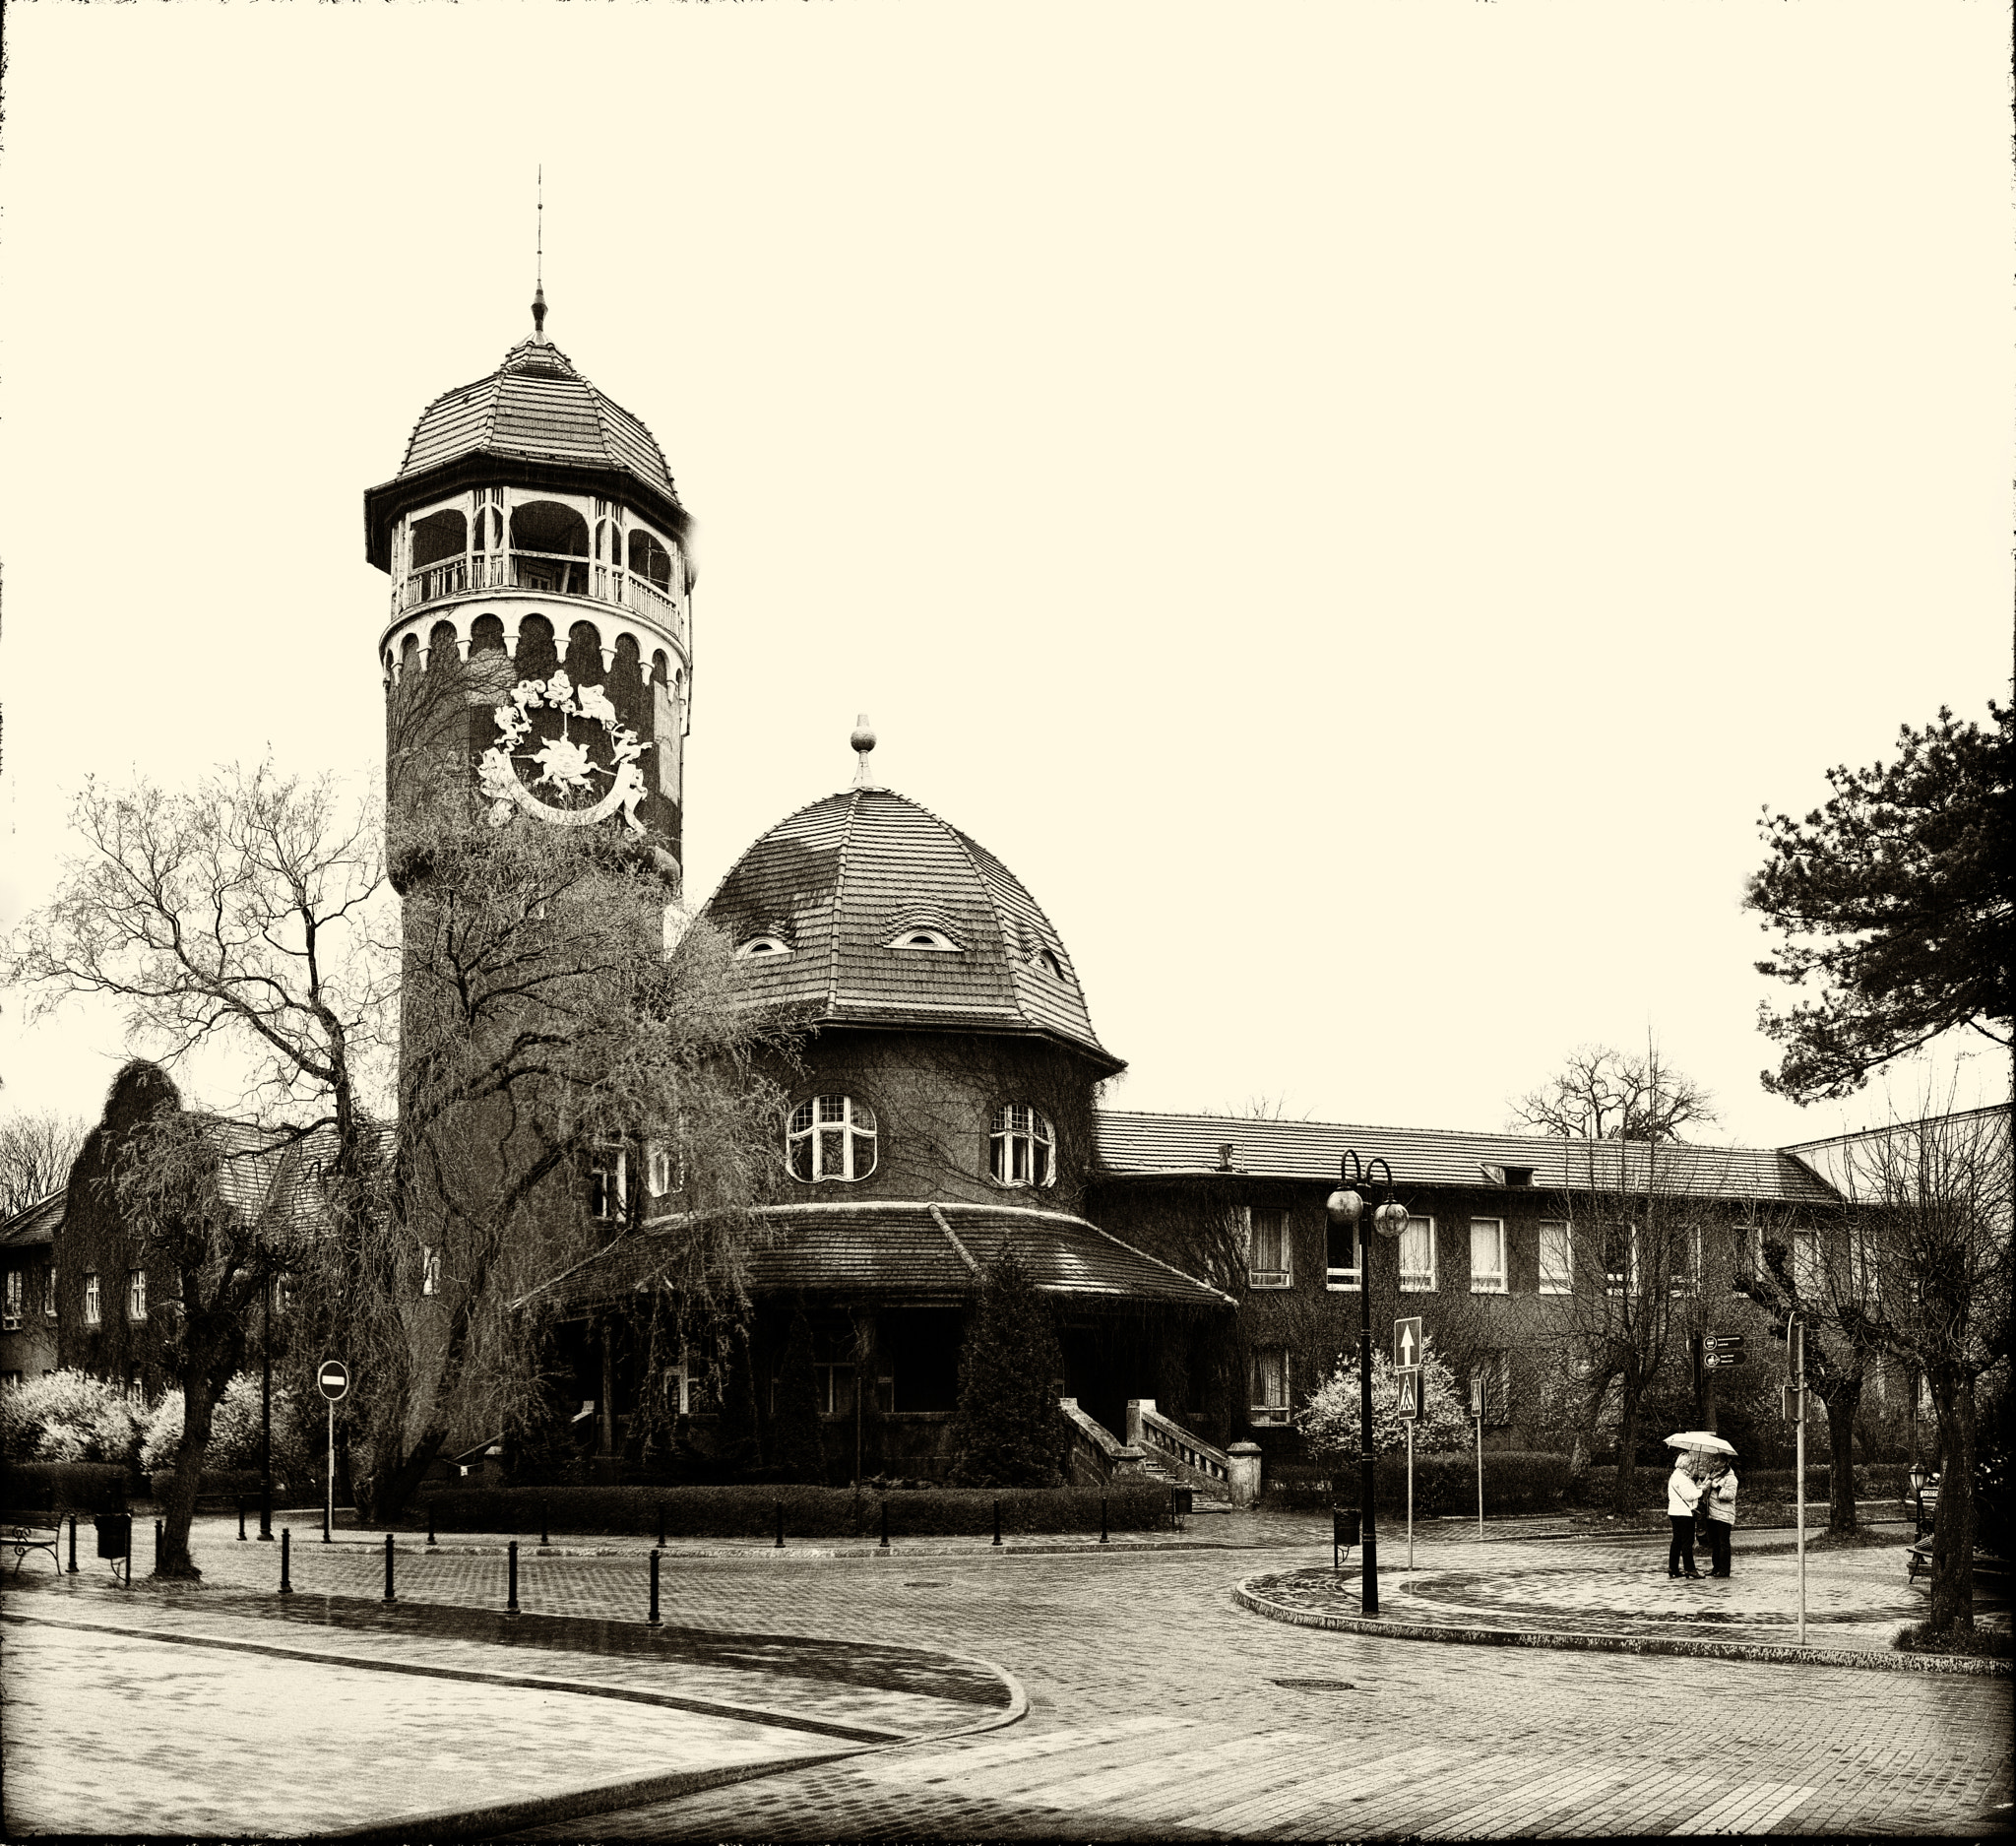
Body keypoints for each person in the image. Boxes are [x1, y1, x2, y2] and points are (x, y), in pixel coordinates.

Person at [1667, 1453, 1704, 1578]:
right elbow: (1689, 1496)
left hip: (1674, 1511)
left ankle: (1673, 1567)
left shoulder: (1675, 1475)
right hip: (1684, 1513)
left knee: (1676, 1540)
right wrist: (1701, 1490)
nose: (1693, 1466)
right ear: (1686, 1464)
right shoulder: (1682, 1478)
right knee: (1687, 1542)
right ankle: (1690, 1569)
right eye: (1691, 1463)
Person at [1702, 1458, 1737, 1577]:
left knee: (1723, 1543)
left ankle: (1724, 1570)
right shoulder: (1713, 1475)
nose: (1713, 1463)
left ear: (1724, 1462)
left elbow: (1730, 1495)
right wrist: (1704, 1482)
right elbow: (1704, 1493)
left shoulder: (1731, 1478)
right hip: (1711, 1514)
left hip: (1724, 1515)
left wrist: (1716, 1487)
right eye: (1713, 1461)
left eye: (1716, 1461)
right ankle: (1716, 1567)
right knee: (1714, 1543)